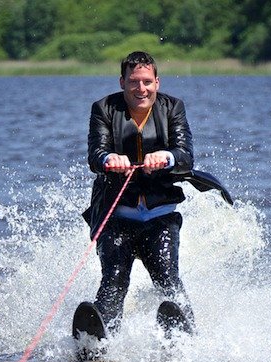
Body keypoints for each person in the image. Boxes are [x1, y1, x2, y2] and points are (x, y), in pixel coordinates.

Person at [76, 51, 196, 338]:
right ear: (122, 82)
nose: (140, 89)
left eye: (146, 82)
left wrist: (166, 156)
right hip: (117, 216)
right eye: (133, 82)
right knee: (114, 282)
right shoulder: (103, 109)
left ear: (157, 82)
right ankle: (100, 338)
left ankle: (188, 335)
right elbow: (95, 154)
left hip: (160, 216)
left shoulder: (172, 108)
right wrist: (108, 159)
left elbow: (185, 156)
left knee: (168, 280)